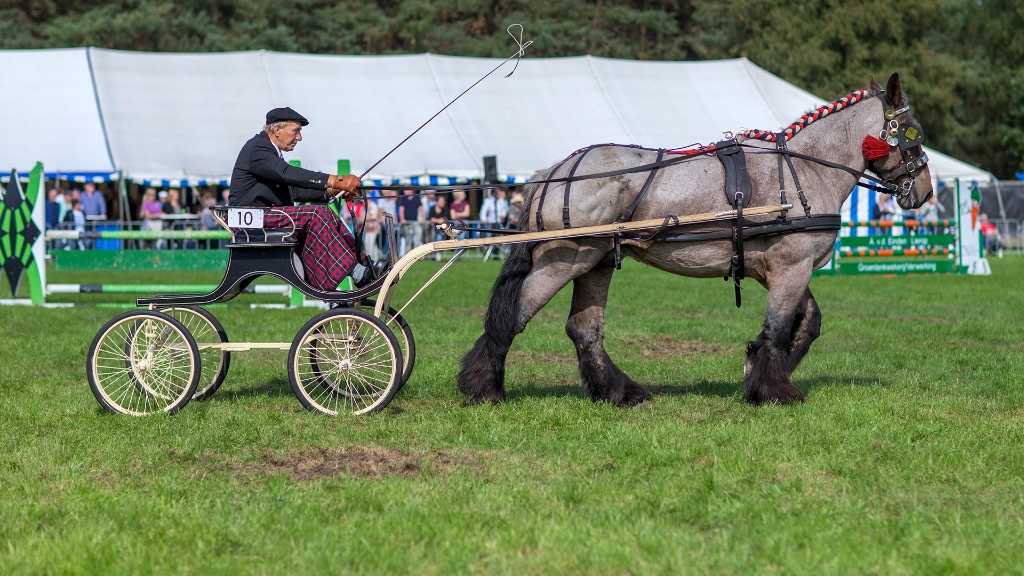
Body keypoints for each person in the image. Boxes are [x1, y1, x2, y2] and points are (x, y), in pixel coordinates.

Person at [229, 107, 368, 290]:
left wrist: (332, 191)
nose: (299, 137)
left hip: (262, 216)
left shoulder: (269, 151)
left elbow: (292, 190)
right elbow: (286, 173)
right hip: (251, 220)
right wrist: (335, 180)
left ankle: (364, 264)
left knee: (326, 214)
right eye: (296, 131)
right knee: (317, 214)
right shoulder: (258, 147)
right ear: (277, 130)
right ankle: (358, 273)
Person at [397, 189, 424, 256]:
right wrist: (402, 219)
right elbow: (401, 209)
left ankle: (415, 249)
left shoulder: (416, 198)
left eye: (406, 190)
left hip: (415, 221)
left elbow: (421, 208)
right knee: (407, 237)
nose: (404, 191)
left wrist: (423, 218)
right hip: (406, 222)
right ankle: (408, 254)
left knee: (419, 231)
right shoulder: (403, 199)